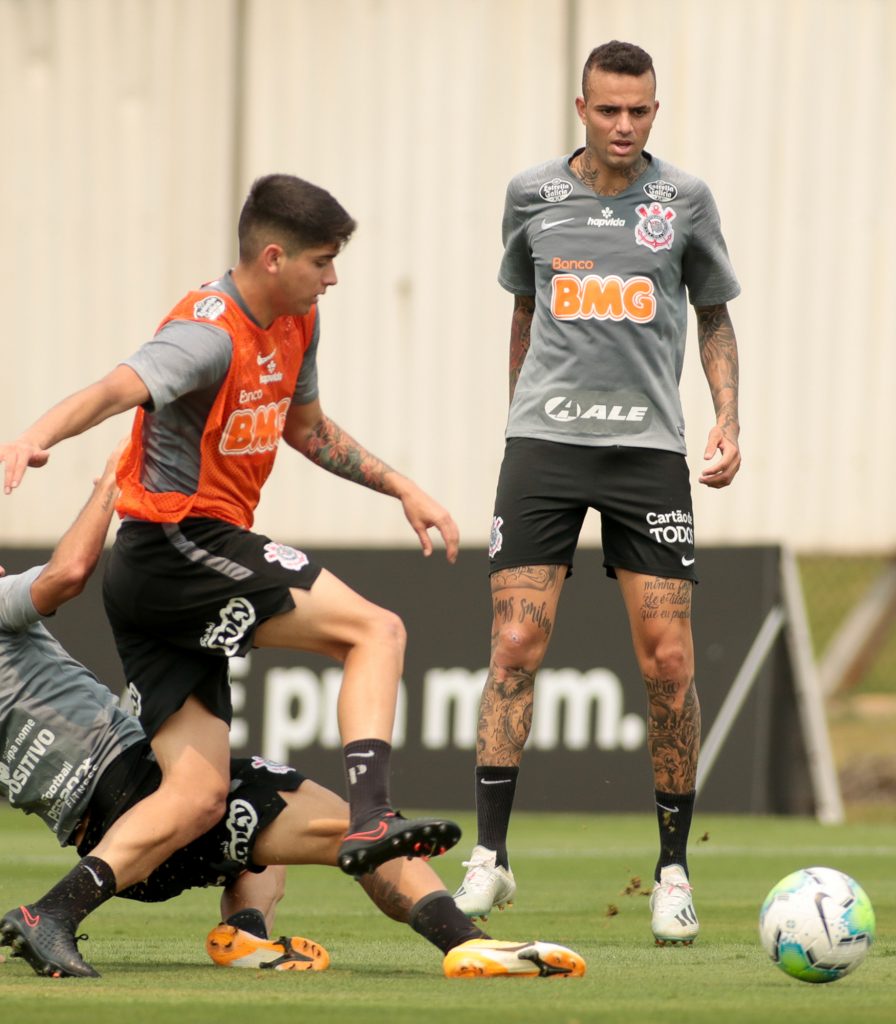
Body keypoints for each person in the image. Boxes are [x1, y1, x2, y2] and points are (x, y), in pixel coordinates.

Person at [0, 174, 461, 941]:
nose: (334, 276)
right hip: (178, 544)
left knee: (199, 793)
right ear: (273, 257)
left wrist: (400, 487)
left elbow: (307, 431)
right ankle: (371, 815)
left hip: (169, 573)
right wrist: (33, 435)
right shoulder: (207, 331)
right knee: (375, 631)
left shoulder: (297, 322)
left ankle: (52, 915)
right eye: (323, 260)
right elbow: (118, 387)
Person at [0, 455, 585, 981]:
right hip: (136, 795)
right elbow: (67, 574)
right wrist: (113, 482)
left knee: (268, 814)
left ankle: (246, 934)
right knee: (341, 825)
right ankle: (468, 944)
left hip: (118, 848)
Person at [451, 41, 741, 946]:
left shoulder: (683, 201)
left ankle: (671, 873)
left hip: (645, 451)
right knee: (513, 643)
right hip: (544, 446)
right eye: (609, 110)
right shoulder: (530, 195)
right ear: (580, 106)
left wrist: (727, 417)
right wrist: (514, 426)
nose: (624, 126)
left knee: (668, 664)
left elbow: (714, 315)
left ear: (655, 110)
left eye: (640, 111)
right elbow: (524, 311)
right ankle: (490, 861)